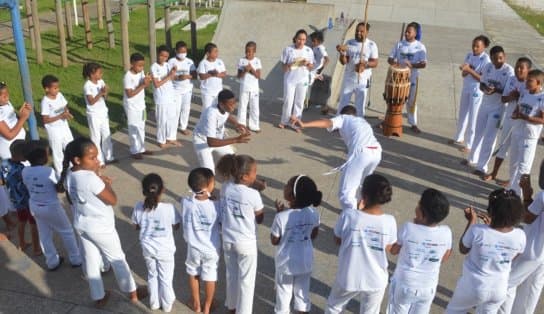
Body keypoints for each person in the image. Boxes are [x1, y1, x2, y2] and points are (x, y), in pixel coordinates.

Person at [59, 137, 146, 307]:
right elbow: (112, 200)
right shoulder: (91, 179)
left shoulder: (70, 174)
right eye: (92, 158)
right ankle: (133, 293)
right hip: (100, 227)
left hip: (81, 223)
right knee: (117, 258)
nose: (97, 161)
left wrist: (97, 175)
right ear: (77, 159)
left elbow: (71, 199)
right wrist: (106, 183)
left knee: (91, 260)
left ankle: (98, 296)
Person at [446, 189, 526, 313]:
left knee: (454, 311)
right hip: (499, 289)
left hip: (473, 286)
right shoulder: (521, 235)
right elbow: (515, 255)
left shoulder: (478, 230)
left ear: (491, 212)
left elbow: (463, 248)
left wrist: (471, 221)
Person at [325, 174, 396, 314]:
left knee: (334, 306)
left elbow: (338, 239)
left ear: (363, 194)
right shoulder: (389, 221)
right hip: (376, 279)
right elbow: (389, 247)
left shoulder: (348, 215)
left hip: (349, 275)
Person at [293, 105, 381, 210]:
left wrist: (304, 124)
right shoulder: (362, 121)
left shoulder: (344, 118)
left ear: (343, 114)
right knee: (362, 186)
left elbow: (327, 123)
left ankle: (353, 218)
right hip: (376, 152)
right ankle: (362, 209)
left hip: (362, 153)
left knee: (345, 194)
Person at [387, 188, 452, 314]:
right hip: (428, 287)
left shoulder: (408, 228)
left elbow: (394, 251)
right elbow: (444, 257)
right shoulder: (446, 232)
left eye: (418, 204)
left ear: (422, 213)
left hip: (404, 284)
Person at [22, 140, 82, 270]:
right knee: (66, 231)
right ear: (44, 157)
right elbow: (59, 189)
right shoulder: (48, 171)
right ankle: (76, 258)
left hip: (35, 206)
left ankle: (52, 262)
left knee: (44, 235)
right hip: (51, 206)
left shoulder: (25, 171)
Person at [216, 154, 264, 314]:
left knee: (232, 276)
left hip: (228, 238)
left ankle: (232, 307)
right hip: (246, 243)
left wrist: (254, 184)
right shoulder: (253, 195)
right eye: (254, 172)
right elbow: (260, 217)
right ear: (244, 176)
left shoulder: (225, 187)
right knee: (247, 282)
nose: (256, 175)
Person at [499, 160, 544, 314]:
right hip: (542, 254)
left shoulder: (543, 196)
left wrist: (526, 192)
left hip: (532, 248)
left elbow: (528, 217)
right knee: (532, 289)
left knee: (506, 283)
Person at [271, 175, 321, 314]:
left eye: (287, 184)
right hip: (305, 261)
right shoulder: (314, 213)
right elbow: (313, 235)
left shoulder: (281, 217)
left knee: (283, 295)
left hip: (286, 263)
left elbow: (274, 240)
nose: (285, 186)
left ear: (292, 196)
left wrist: (280, 216)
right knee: (302, 295)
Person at [132, 173, 179, 312]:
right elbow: (176, 225)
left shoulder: (138, 206)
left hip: (147, 248)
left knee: (152, 275)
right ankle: (167, 304)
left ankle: (154, 303)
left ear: (143, 191)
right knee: (166, 277)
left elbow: (135, 226)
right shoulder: (169, 208)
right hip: (165, 250)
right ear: (163, 189)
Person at [464, 46, 514, 176]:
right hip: (484, 104)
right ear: (491, 58)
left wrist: (495, 90)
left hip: (498, 108)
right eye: (495, 58)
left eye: (501, 58)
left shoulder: (509, 71)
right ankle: (472, 159)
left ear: (505, 56)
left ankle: (482, 167)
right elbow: (481, 83)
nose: (498, 61)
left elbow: (507, 93)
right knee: (478, 132)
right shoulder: (488, 67)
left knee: (489, 136)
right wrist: (485, 88)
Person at [484, 57, 532, 183]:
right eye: (517, 67)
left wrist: (519, 97)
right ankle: (494, 173)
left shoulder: (531, 85)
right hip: (509, 119)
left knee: (517, 153)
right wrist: (511, 96)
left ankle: (512, 180)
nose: (518, 70)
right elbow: (503, 99)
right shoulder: (511, 79)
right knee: (503, 145)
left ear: (529, 70)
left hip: (522, 124)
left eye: (522, 68)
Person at [181, 167, 220, 314]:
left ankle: (196, 304)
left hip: (193, 247)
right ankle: (207, 307)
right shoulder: (216, 205)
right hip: (211, 249)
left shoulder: (186, 202)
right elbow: (221, 222)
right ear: (208, 185)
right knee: (210, 276)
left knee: (193, 272)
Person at [192, 89, 250, 172]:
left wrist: (237, 124)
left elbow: (227, 115)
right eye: (231, 104)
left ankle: (231, 175)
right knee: (209, 172)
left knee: (233, 160)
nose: (234, 106)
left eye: (234, 102)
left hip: (217, 140)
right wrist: (236, 140)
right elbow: (211, 142)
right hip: (202, 142)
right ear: (221, 104)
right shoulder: (211, 115)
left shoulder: (223, 108)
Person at [0, 81, 31, 234]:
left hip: (20, 149)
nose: (7, 96)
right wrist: (24, 118)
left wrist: (20, 113)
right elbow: (9, 134)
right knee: (15, 185)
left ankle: (26, 206)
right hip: (9, 154)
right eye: (3, 95)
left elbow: (12, 120)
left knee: (25, 179)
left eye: (7, 93)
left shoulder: (6, 104)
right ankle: (19, 213)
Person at [507, 69, 544, 195]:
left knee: (523, 167)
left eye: (530, 81)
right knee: (513, 163)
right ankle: (512, 188)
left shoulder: (542, 98)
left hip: (529, 137)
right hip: (517, 131)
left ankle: (518, 195)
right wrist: (515, 114)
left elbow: (542, 119)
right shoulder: (524, 93)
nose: (526, 83)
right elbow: (518, 107)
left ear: (538, 82)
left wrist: (525, 117)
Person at [451, 35, 491, 151]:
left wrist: (469, 70)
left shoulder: (486, 60)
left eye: (477, 46)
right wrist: (464, 70)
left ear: (484, 47)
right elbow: (464, 73)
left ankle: (470, 144)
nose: (474, 48)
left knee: (474, 116)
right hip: (466, 86)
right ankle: (459, 137)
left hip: (477, 90)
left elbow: (483, 78)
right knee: (463, 112)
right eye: (473, 45)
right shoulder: (469, 55)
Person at [387, 22, 427, 133]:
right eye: (406, 31)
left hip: (412, 78)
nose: (406, 33)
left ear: (415, 34)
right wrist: (393, 62)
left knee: (412, 101)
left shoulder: (420, 46)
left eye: (409, 32)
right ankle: (390, 119)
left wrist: (412, 65)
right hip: (398, 78)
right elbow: (390, 58)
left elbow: (424, 64)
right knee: (394, 100)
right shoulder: (399, 44)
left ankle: (413, 123)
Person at [4, 140, 40, 255]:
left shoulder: (4, 163)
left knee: (22, 221)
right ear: (21, 155)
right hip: (27, 200)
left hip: (14, 199)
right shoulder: (22, 170)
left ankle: (22, 243)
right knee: (33, 223)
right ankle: (36, 248)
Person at [336, 22, 378, 117]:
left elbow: (375, 63)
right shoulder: (349, 43)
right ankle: (339, 124)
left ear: (367, 32)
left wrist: (365, 64)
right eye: (357, 31)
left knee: (360, 105)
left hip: (363, 80)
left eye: (361, 31)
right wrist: (342, 54)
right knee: (343, 102)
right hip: (349, 78)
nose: (358, 33)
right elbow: (344, 62)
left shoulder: (371, 45)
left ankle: (359, 125)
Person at [279, 29, 314, 132]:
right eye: (299, 39)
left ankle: (295, 122)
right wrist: (291, 64)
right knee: (288, 100)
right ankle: (284, 121)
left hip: (303, 79)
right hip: (290, 79)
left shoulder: (308, 51)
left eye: (303, 39)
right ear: (295, 38)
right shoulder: (288, 49)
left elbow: (311, 66)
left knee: (299, 102)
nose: (301, 42)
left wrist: (307, 64)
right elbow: (284, 67)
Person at [82, 62, 116, 167]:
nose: (101, 74)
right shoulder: (87, 85)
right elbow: (91, 101)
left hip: (103, 112)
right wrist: (100, 93)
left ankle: (109, 156)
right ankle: (99, 161)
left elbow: (105, 97)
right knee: (96, 137)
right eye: (99, 73)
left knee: (106, 134)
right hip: (94, 114)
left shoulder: (101, 82)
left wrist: (105, 93)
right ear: (92, 74)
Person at [40, 74, 74, 175]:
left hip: (64, 127)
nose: (57, 90)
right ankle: (61, 175)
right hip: (54, 130)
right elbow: (45, 119)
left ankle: (74, 168)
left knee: (71, 147)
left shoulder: (59, 95)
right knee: (58, 153)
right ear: (47, 89)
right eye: (54, 88)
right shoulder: (45, 102)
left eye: (58, 87)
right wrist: (60, 116)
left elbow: (65, 106)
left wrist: (67, 112)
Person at [123, 52, 153, 160]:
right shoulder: (128, 77)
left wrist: (147, 80)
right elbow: (129, 94)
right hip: (131, 106)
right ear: (132, 63)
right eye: (139, 65)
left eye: (142, 65)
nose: (141, 68)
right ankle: (134, 150)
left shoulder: (141, 73)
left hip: (141, 105)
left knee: (141, 127)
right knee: (133, 128)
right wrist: (143, 85)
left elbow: (145, 86)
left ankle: (141, 148)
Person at [152, 45, 180, 148]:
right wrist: (169, 76)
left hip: (170, 96)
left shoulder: (167, 65)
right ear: (158, 54)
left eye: (166, 56)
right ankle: (161, 140)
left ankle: (171, 137)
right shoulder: (154, 67)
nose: (163, 58)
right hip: (161, 98)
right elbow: (157, 84)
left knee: (172, 118)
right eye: (162, 55)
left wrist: (173, 72)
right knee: (162, 120)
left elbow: (171, 78)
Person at [168, 41, 196, 136]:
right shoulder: (171, 62)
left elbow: (195, 75)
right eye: (181, 52)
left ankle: (183, 127)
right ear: (176, 51)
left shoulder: (189, 62)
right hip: (175, 89)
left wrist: (188, 76)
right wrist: (179, 77)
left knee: (186, 108)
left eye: (184, 51)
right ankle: (173, 127)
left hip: (187, 89)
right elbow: (168, 76)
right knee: (176, 109)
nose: (183, 54)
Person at [237, 41, 262, 133]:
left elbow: (258, 76)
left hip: (254, 89)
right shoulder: (241, 61)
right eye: (246, 51)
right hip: (244, 88)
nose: (247, 53)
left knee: (254, 107)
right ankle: (241, 125)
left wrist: (251, 69)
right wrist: (245, 70)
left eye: (249, 51)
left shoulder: (257, 61)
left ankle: (254, 125)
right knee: (242, 107)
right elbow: (239, 76)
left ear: (254, 51)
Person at [197, 43, 226, 110]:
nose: (217, 53)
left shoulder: (220, 61)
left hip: (218, 91)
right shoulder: (203, 63)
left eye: (217, 51)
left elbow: (224, 74)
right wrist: (211, 74)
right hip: (207, 92)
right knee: (207, 110)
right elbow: (201, 76)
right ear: (208, 53)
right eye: (215, 52)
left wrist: (217, 74)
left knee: (218, 109)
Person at [306, 31, 329, 110]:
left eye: (314, 41)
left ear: (319, 41)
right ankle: (306, 102)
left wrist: (320, 70)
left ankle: (306, 103)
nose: (312, 42)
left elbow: (327, 59)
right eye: (312, 40)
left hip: (315, 70)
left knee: (307, 86)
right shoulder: (315, 47)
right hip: (312, 69)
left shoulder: (320, 48)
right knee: (307, 86)